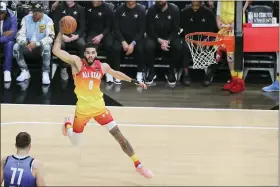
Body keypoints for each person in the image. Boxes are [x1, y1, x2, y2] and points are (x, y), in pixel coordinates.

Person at [52, 23, 153, 178]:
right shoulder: (77, 63)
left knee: (119, 137)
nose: (90, 55)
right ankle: (67, 123)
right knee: (75, 142)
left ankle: (138, 164)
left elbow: (117, 74)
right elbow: (56, 51)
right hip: (82, 111)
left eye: (93, 53)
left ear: (96, 53)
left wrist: (134, 81)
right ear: (84, 54)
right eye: (88, 53)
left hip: (100, 109)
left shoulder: (103, 66)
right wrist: (60, 31)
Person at [13, 2, 55, 85]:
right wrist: (25, 42)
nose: (36, 13)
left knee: (47, 47)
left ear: (42, 12)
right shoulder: (25, 19)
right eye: (35, 11)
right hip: (28, 45)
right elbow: (19, 34)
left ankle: (45, 72)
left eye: (39, 11)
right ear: (31, 11)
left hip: (40, 46)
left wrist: (38, 43)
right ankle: (24, 71)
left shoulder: (48, 20)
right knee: (16, 47)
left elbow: (51, 36)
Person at [180, 1, 217, 86]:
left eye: (196, 6)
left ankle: (208, 74)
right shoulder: (185, 12)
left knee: (213, 48)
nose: (195, 8)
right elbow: (183, 29)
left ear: (201, 4)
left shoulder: (208, 13)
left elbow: (212, 30)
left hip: (205, 39)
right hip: (190, 39)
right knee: (184, 47)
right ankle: (186, 74)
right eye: (193, 6)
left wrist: (205, 40)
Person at [215, 1, 249, 93]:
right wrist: (218, 20)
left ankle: (240, 81)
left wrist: (237, 20)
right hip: (225, 26)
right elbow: (219, 7)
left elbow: (247, 2)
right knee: (229, 55)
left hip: (237, 25)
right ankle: (234, 79)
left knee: (237, 53)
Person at [145, 0, 182, 86]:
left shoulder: (175, 9)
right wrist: (160, 40)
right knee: (148, 46)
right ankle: (151, 71)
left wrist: (167, 41)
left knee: (178, 46)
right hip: (155, 37)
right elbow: (150, 29)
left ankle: (171, 71)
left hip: (170, 37)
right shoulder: (151, 10)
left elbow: (176, 29)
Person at [111, 1, 146, 84]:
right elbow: (115, 28)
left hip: (136, 38)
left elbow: (142, 30)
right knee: (115, 48)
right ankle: (117, 73)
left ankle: (140, 73)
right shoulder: (119, 10)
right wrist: (123, 41)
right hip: (122, 38)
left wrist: (133, 43)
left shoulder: (141, 10)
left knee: (141, 48)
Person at [52, 0, 86, 81]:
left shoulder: (80, 9)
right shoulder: (59, 7)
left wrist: (76, 36)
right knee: (61, 45)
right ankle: (63, 68)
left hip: (75, 34)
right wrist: (61, 34)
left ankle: (80, 67)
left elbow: (83, 25)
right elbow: (55, 23)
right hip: (62, 33)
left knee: (82, 44)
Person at [85, 1, 115, 83]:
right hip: (92, 31)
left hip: (105, 32)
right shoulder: (88, 5)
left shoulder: (107, 10)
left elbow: (108, 27)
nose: (94, 1)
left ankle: (108, 72)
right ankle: (90, 71)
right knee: (90, 47)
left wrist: (101, 36)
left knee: (110, 45)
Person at [0, 1, 17, 82]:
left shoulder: (12, 17)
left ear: (5, 12)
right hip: (3, 37)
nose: (0, 15)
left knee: (10, 43)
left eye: (1, 13)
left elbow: (12, 35)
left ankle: (7, 70)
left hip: (6, 40)